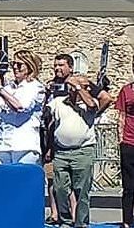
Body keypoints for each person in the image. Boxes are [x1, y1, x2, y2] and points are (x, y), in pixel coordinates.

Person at [44, 73, 101, 228]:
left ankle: (81, 223)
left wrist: (78, 87)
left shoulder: (90, 103)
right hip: (61, 152)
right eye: (83, 86)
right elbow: (45, 114)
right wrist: (47, 93)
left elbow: (92, 106)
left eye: (85, 87)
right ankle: (65, 220)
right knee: (60, 188)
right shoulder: (59, 102)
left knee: (81, 190)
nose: (86, 89)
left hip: (82, 151)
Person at [0, 50, 45, 164]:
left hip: (24, 146)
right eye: (13, 64)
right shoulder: (8, 88)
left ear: (29, 67)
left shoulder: (35, 87)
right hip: (1, 145)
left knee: (22, 175)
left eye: (19, 64)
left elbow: (20, 107)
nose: (15, 67)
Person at [116, 56, 134, 228]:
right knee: (129, 186)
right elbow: (121, 116)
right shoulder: (126, 91)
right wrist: (120, 140)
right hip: (129, 142)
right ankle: (127, 221)